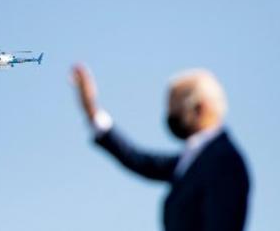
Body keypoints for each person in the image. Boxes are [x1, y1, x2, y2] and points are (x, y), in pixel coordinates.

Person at [70, 64, 250, 231]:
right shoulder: (194, 158)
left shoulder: (224, 162)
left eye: (176, 109)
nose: (171, 116)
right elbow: (139, 160)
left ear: (200, 108)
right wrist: (92, 111)